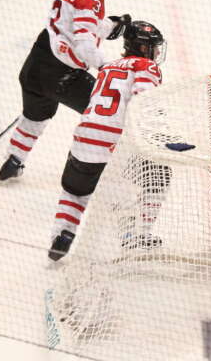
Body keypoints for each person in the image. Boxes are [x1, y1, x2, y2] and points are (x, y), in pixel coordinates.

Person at [0, 0, 132, 181]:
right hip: (64, 76)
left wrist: (110, 26)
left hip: (35, 67)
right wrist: (108, 69)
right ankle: (123, 170)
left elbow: (75, 26)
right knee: (108, 115)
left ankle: (14, 160)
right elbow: (84, 46)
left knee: (34, 117)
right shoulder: (90, 1)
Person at [48, 20, 165, 261]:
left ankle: (62, 235)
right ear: (143, 48)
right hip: (113, 144)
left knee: (75, 191)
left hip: (84, 137)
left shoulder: (108, 67)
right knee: (157, 174)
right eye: (153, 47)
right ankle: (134, 237)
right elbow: (142, 102)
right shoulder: (146, 66)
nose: (156, 52)